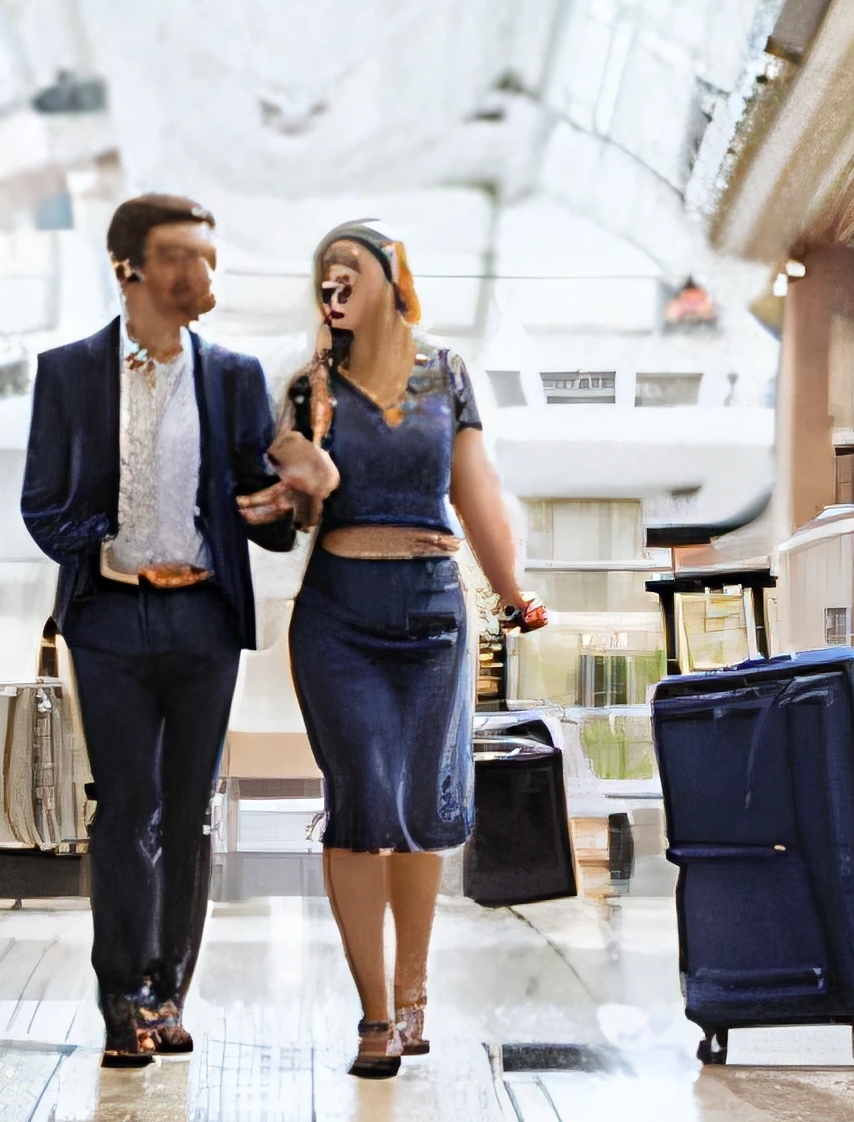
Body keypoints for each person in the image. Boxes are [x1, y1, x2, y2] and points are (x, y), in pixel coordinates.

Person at [20, 194, 299, 1068]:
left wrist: (284, 499)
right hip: (108, 620)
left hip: (205, 621)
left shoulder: (236, 377)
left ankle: (171, 989)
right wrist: (113, 558)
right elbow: (42, 506)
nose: (201, 274)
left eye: (210, 258)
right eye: (181, 256)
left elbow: (264, 516)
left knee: (189, 814)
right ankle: (122, 1000)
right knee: (126, 810)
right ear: (128, 267)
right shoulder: (68, 372)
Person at [273, 221, 545, 1080]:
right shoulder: (308, 388)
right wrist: (304, 473)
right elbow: (296, 520)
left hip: (433, 615)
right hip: (339, 618)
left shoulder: (446, 374)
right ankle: (376, 1015)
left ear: (391, 277)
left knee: (422, 811)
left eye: (348, 267)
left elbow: (476, 490)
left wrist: (511, 589)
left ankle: (416, 990)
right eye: (324, 273)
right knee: (362, 803)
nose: (333, 282)